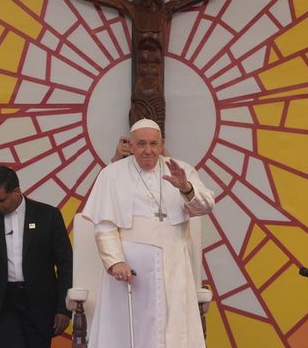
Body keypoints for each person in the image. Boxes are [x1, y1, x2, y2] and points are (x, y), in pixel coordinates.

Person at [17, 0, 277, 134]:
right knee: (139, 142)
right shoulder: (132, 10)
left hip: (158, 89)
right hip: (140, 89)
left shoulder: (166, 11)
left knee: (155, 143)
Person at [83, 118, 215, 347]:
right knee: (130, 331)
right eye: (141, 144)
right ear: (131, 145)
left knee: (173, 330)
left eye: (153, 144)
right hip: (131, 269)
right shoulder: (112, 174)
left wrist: (186, 187)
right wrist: (116, 262)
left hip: (174, 264)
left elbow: (205, 207)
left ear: (162, 144)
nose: (148, 150)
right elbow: (104, 225)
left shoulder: (182, 170)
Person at [0, 166, 73, 348]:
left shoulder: (48, 216)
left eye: (1, 200)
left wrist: (63, 308)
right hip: (4, 305)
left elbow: (66, 265)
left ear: (16, 191)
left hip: (41, 305)